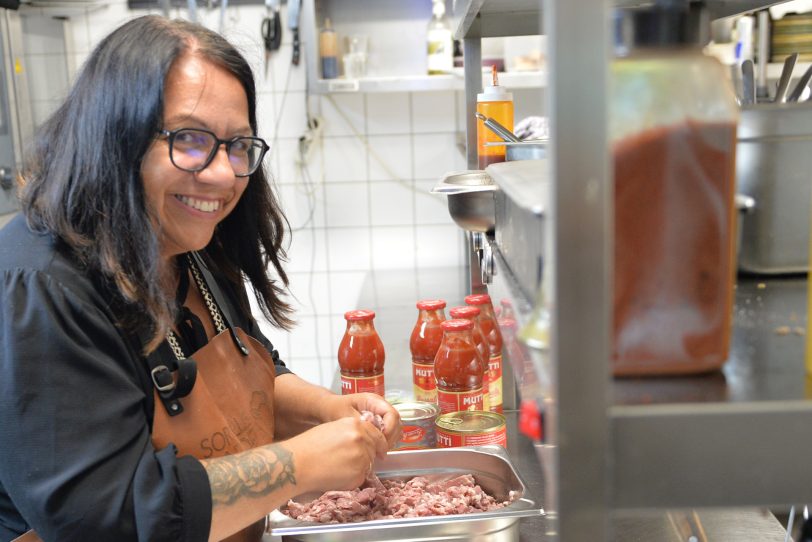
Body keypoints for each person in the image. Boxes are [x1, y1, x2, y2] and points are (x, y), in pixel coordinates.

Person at [0, 15, 400, 542]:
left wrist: (325, 411)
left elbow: (246, 369)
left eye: (238, 146)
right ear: (115, 136)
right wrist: (297, 464)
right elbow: (103, 516)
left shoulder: (188, 240)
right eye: (188, 139)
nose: (221, 174)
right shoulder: (42, 286)